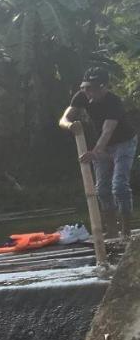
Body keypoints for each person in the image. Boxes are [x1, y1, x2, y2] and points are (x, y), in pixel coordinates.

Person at [59, 67, 137, 241]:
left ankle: (126, 232)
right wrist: (70, 126)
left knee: (119, 186)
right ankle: (111, 230)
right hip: (101, 146)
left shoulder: (113, 101)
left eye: (91, 88)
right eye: (85, 87)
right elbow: (63, 119)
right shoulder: (81, 96)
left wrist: (95, 152)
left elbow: (107, 131)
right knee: (101, 189)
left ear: (104, 87)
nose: (87, 91)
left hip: (123, 143)